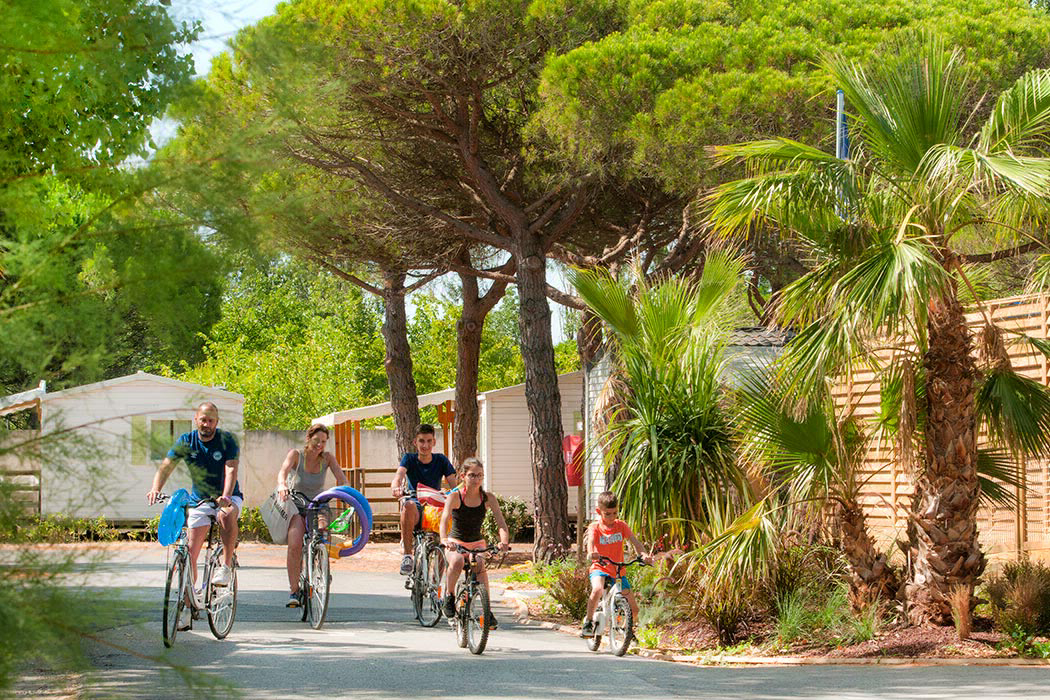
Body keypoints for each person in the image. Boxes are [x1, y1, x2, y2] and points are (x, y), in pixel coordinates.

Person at [146, 402, 241, 631]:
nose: (206, 424)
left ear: (216, 423)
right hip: (199, 499)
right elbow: (167, 465)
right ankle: (187, 608)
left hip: (227, 497)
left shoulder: (227, 441)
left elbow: (231, 469)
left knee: (226, 517)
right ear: (196, 419)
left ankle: (225, 567)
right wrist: (155, 488)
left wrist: (226, 496)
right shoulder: (187, 441)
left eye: (211, 420)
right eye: (203, 419)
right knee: (189, 553)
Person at [276, 423, 347, 608]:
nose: (320, 445)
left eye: (323, 442)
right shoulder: (296, 455)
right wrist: (282, 485)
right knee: (295, 544)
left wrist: (346, 492)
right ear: (308, 439)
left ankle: (321, 562)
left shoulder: (327, 458)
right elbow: (283, 472)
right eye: (317, 441)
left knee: (322, 530)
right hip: (298, 503)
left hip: (319, 503)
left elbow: (341, 477)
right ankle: (294, 590)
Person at [439, 457, 510, 628]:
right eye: (472, 475)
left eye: (479, 476)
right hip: (456, 541)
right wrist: (444, 539)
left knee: (479, 564)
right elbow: (444, 520)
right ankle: (449, 596)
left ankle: (487, 610)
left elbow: (501, 524)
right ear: (463, 476)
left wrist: (504, 542)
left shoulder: (488, 498)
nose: (476, 479)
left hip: (476, 542)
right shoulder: (455, 497)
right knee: (456, 561)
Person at [580, 490, 652, 638]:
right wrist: (591, 552)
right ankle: (588, 621)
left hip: (618, 570)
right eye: (607, 514)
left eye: (615, 513)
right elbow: (591, 542)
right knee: (598, 589)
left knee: (634, 609)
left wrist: (643, 555)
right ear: (599, 511)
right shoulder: (595, 527)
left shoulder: (621, 526)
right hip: (599, 567)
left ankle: (627, 632)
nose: (612, 517)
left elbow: (635, 542)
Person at [390, 423, 458, 575]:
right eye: (421, 441)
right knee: (407, 505)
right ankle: (407, 556)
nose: (425, 445)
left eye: (428, 441)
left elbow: (454, 485)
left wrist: (453, 494)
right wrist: (396, 487)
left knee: (442, 541)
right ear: (415, 442)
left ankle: (437, 580)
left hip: (436, 505)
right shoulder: (409, 458)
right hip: (416, 503)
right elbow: (398, 477)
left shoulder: (441, 460)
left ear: (434, 442)